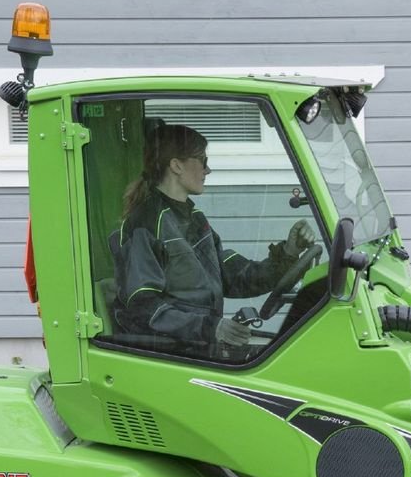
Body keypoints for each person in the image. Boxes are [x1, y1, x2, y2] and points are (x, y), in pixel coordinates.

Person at [114, 122, 315, 357]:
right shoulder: (145, 224)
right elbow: (143, 306)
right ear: (177, 165)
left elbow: (235, 277)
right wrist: (210, 328)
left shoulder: (193, 219)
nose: (207, 171)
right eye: (202, 161)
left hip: (198, 344)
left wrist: (288, 253)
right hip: (173, 353)